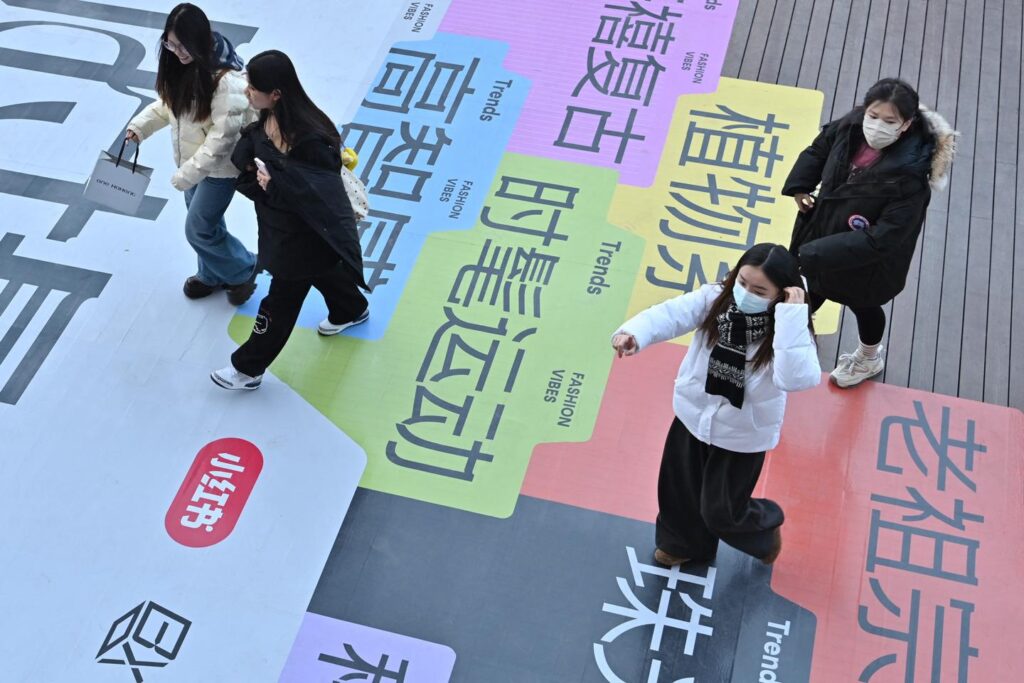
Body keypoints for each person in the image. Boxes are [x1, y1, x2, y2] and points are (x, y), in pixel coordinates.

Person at [611, 244, 820, 567]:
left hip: (741, 435)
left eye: (759, 291)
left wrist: (792, 317)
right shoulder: (715, 299)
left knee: (722, 511)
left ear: (782, 294)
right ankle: (680, 544)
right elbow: (672, 314)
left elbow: (796, 378)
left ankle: (765, 530)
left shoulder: (788, 332)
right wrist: (635, 333)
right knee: (678, 490)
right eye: (742, 282)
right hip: (693, 415)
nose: (745, 294)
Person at [782, 78, 957, 388]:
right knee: (805, 297)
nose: (877, 126)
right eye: (873, 116)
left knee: (864, 308)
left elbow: (883, 238)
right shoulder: (849, 127)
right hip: (822, 234)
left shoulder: (911, 179)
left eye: (889, 121)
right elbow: (819, 150)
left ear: (906, 124)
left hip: (867, 264)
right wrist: (800, 186)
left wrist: (815, 252)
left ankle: (869, 357)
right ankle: (784, 348)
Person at [210, 50, 369, 391]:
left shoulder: (311, 139)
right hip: (278, 226)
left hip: (303, 235)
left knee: (279, 304)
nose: (247, 91)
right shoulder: (267, 116)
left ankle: (248, 369)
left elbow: (315, 197)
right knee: (323, 269)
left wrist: (274, 185)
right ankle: (351, 308)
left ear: (276, 94)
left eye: (254, 87)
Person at [126, 3, 258, 305]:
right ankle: (211, 275)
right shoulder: (185, 68)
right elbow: (168, 105)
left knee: (198, 229)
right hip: (193, 164)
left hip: (219, 170)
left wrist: (186, 175)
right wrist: (140, 127)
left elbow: (222, 139)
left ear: (198, 39)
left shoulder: (226, 81)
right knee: (209, 225)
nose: (176, 52)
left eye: (182, 45)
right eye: (170, 45)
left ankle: (243, 269)